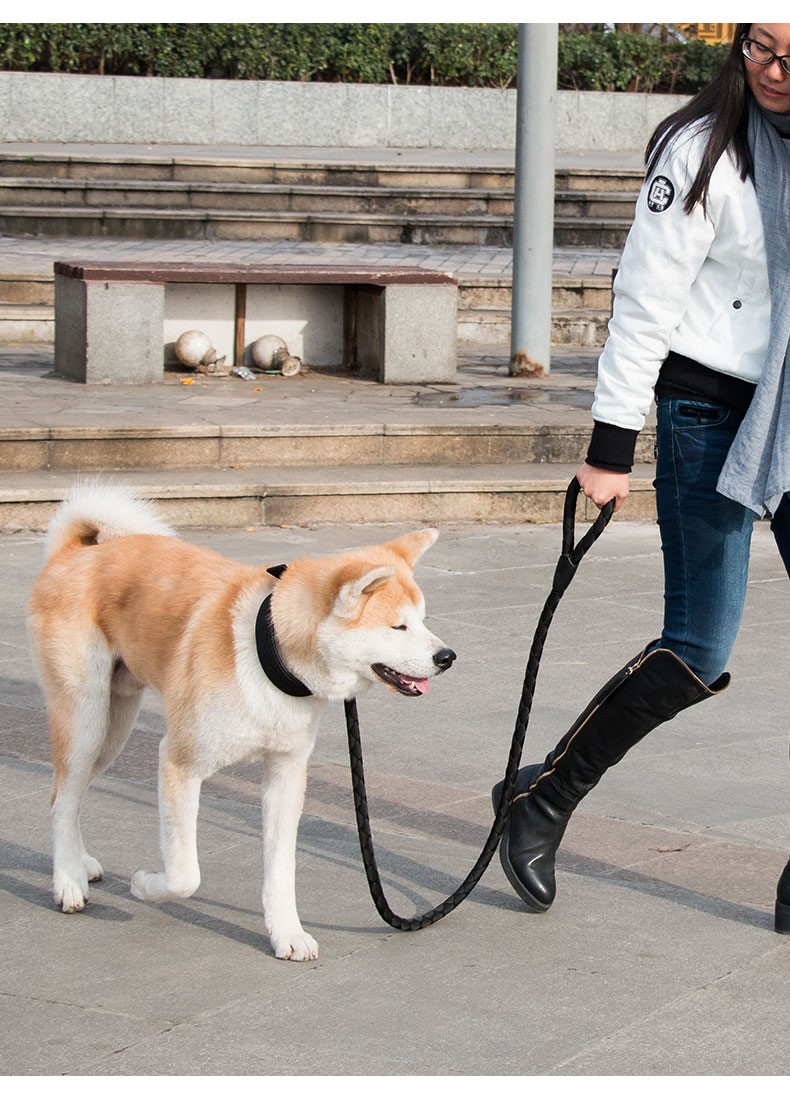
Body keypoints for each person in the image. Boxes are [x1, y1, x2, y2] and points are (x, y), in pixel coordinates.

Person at [494, 23, 790, 934]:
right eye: (760, 49)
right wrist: (611, 447)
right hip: (710, 411)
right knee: (700, 642)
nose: (776, 72)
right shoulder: (699, 150)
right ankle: (545, 796)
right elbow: (644, 301)